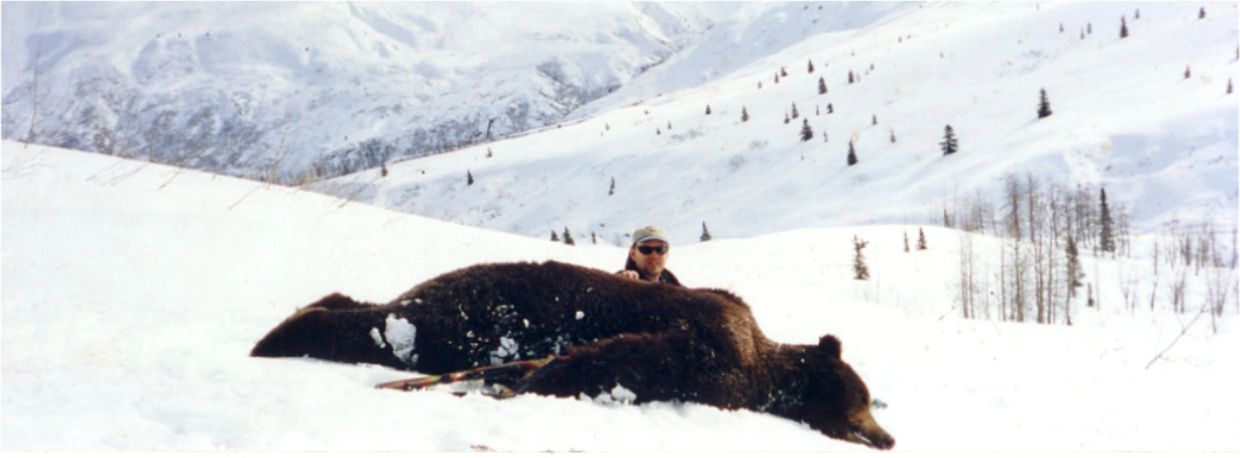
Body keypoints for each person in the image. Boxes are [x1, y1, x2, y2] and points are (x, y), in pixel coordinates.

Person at [616, 225, 682, 286]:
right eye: (646, 249)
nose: (654, 256)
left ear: (667, 253)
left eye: (660, 249)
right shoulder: (625, 284)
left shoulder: (674, 286)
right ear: (633, 254)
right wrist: (622, 281)